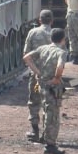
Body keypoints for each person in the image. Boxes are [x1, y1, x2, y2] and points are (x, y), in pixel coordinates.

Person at [22, 28, 68, 154]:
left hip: (41, 84)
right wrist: (57, 78)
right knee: (52, 115)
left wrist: (38, 72)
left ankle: (44, 137)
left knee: (46, 110)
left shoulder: (43, 48)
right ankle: (50, 144)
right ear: (63, 39)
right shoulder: (61, 52)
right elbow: (60, 66)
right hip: (53, 87)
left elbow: (27, 57)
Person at [22, 9, 54, 143]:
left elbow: (26, 53)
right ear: (52, 20)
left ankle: (35, 131)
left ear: (39, 20)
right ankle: (47, 134)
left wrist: (36, 71)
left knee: (34, 102)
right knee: (50, 104)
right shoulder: (55, 34)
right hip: (51, 76)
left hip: (36, 75)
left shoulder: (33, 32)